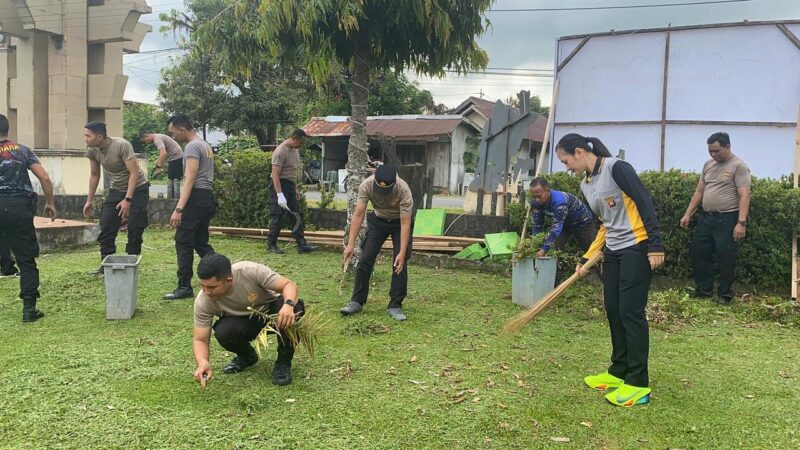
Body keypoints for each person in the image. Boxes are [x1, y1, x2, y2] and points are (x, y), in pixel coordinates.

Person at [556, 133, 665, 408]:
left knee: (631, 312)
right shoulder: (586, 183)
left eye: (566, 160)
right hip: (614, 251)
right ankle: (619, 372)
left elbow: (644, 201)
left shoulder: (616, 168)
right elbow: (604, 225)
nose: (566, 167)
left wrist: (656, 244)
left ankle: (638, 384)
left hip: (637, 247)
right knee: (614, 309)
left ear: (579, 152)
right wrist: (586, 257)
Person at [191, 253, 306, 386]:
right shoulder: (203, 301)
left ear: (229, 280)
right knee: (224, 331)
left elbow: (288, 284)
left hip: (274, 313)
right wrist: (202, 362)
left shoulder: (250, 271)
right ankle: (247, 357)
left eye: (212, 287)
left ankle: (283, 362)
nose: (207, 292)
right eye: (202, 286)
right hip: (246, 322)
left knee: (293, 309)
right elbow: (200, 339)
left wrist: (288, 305)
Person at [680, 132, 751, 306]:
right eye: (710, 151)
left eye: (717, 151)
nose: (713, 154)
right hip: (706, 218)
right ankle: (704, 290)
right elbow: (699, 191)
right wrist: (688, 213)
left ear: (727, 146)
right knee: (699, 251)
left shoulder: (738, 166)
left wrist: (741, 223)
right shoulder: (708, 165)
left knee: (725, 255)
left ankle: (725, 293)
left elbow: (744, 195)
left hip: (727, 218)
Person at [0, 113, 57, 322]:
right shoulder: (22, 150)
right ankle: (29, 310)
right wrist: (50, 203)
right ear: (7, 130)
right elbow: (44, 177)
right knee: (26, 260)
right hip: (19, 209)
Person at [340, 165, 414, 321]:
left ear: (394, 184)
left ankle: (395, 305)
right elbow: (359, 214)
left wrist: (401, 252)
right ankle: (357, 301)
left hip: (399, 224)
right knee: (365, 259)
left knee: (399, 263)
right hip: (378, 221)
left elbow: (405, 223)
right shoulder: (366, 185)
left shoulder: (403, 190)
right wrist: (351, 244)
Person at [83, 122, 150, 274]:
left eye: (88, 136)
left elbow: (133, 173)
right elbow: (94, 175)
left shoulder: (122, 145)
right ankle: (106, 264)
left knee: (135, 226)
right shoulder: (92, 150)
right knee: (106, 225)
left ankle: (132, 262)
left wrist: (127, 200)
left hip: (138, 188)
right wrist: (89, 201)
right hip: (116, 190)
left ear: (100, 136)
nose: (85, 139)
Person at [163, 114, 217, 300]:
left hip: (195, 197)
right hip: (206, 197)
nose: (173, 137)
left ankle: (184, 286)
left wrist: (179, 209)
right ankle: (222, 272)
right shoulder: (204, 145)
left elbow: (190, 178)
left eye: (173, 133)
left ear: (182, 130)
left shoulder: (192, 146)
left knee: (183, 241)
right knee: (200, 241)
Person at [267, 129, 318, 254]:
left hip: (289, 185)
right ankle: (271, 245)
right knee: (278, 216)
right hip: (279, 185)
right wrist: (279, 194)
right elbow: (275, 175)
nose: (301, 145)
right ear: (294, 138)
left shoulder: (295, 150)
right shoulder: (280, 151)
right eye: (300, 142)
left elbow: (292, 172)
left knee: (295, 215)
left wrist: (295, 189)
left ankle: (301, 244)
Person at [528, 177, 597, 257]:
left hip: (582, 222)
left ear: (548, 190)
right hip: (563, 224)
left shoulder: (559, 202)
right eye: (534, 197)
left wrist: (543, 249)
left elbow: (556, 228)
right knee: (555, 249)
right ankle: (556, 268)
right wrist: (536, 245)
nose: (536, 199)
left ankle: (598, 268)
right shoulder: (536, 203)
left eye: (539, 196)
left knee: (592, 250)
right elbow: (537, 224)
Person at [140, 131, 184, 199]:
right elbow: (162, 154)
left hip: (176, 158)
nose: (146, 143)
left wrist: (159, 167)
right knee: (171, 179)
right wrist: (157, 162)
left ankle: (174, 200)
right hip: (175, 158)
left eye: (145, 141)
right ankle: (172, 198)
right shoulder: (158, 137)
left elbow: (163, 153)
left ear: (146, 136)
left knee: (174, 180)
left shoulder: (157, 139)